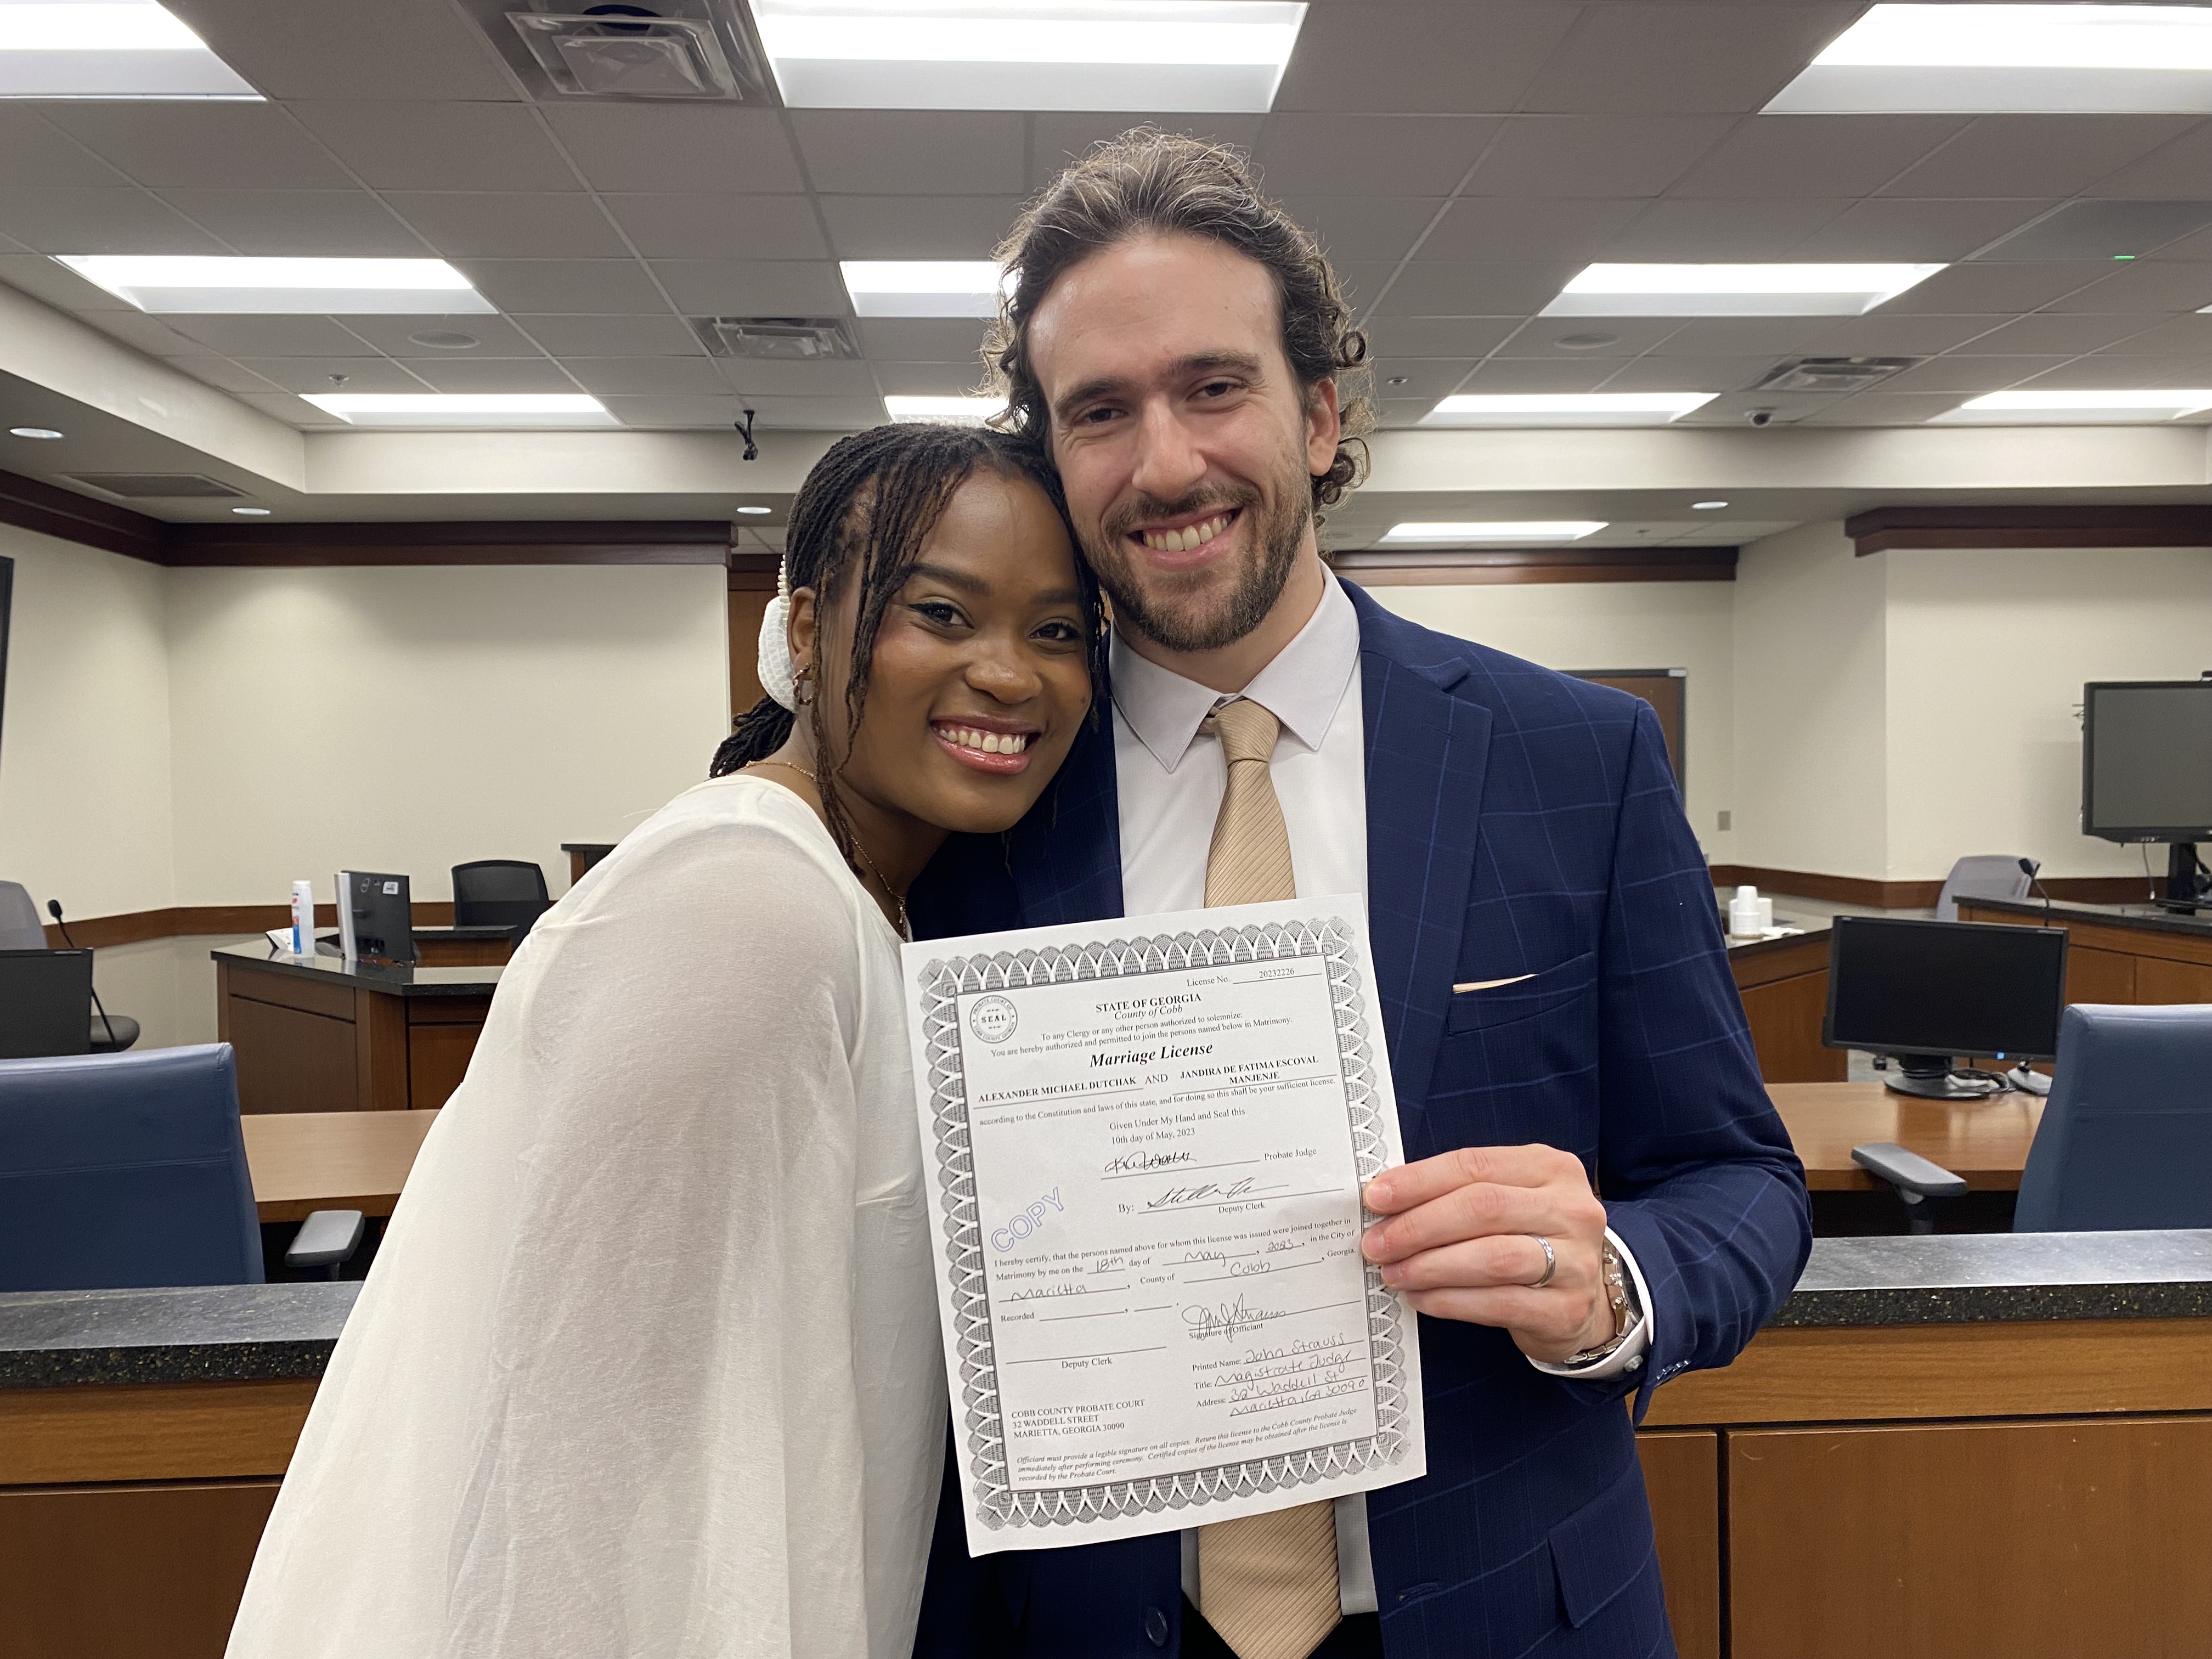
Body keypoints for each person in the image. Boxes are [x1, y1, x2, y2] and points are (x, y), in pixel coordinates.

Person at [910, 133, 1812, 1659]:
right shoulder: (975, 807)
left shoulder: (1575, 758)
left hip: (1508, 1615)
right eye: (1101, 412)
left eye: (1215, 386)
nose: (1166, 464)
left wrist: (1611, 1285)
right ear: (1052, 461)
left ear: (1321, 414)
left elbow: (1742, 1181)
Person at [225, 423, 1105, 1659]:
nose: (1010, 674)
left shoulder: (859, 898)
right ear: (807, 632)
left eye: (1057, 631)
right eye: (942, 614)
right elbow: (592, 1486)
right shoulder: (744, 908)